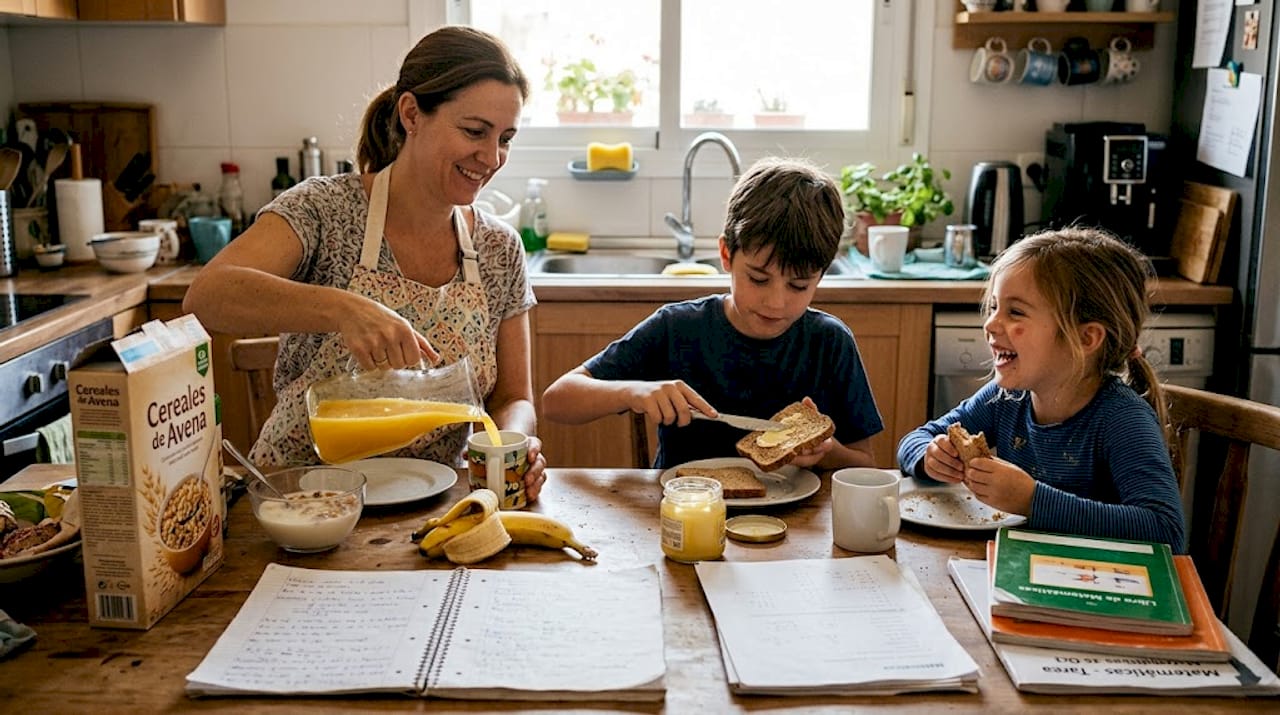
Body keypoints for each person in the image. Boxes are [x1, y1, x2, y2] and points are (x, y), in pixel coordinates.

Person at [183, 26, 547, 502]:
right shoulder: (325, 212)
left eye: (506, 138)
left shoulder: (499, 249)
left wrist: (512, 444)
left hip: (429, 509)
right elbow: (206, 297)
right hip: (299, 506)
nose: (492, 156)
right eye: (475, 132)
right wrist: (344, 310)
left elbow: (513, 398)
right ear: (412, 114)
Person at [541, 157, 883, 470]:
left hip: (797, 525)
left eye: (798, 286)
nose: (776, 303)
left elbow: (864, 464)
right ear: (725, 254)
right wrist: (633, 392)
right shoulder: (677, 328)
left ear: (822, 275)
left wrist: (825, 452)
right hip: (683, 515)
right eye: (758, 279)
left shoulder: (830, 342)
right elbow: (557, 400)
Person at [896, 228, 1186, 550]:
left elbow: (1165, 530)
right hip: (1021, 570)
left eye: (1015, 312)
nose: (991, 324)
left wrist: (1032, 500)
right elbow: (915, 438)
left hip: (1097, 585)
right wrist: (929, 457)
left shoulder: (1122, 419)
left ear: (1086, 338)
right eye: (993, 307)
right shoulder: (1004, 399)